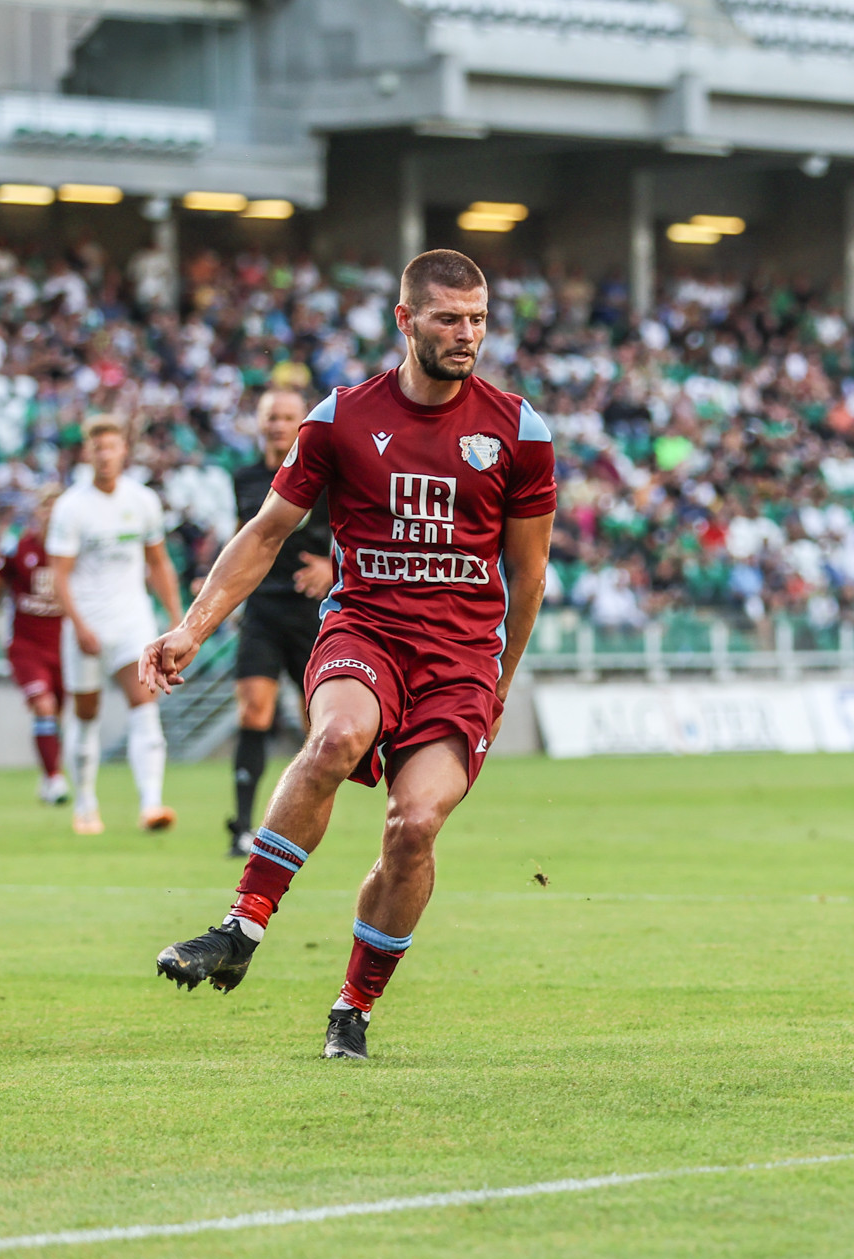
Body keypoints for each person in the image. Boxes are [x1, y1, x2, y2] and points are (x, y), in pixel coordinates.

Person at [144, 248, 556, 1061]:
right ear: (405, 320)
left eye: (477, 319)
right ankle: (240, 928)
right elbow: (267, 532)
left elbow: (530, 573)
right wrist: (193, 625)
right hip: (365, 629)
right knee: (334, 738)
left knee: (415, 824)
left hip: (462, 658)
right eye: (448, 318)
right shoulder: (339, 419)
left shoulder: (519, 429)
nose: (467, 334)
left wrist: (499, 683)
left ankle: (353, 1007)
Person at [47, 417, 183, 836]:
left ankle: (151, 803)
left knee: (144, 702)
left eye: (112, 446)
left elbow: (158, 562)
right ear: (87, 453)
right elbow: (59, 575)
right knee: (86, 713)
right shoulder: (71, 506)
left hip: (131, 620)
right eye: (98, 448)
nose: (105, 455)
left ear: (124, 449)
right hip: (87, 624)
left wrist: (177, 618)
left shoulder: (142, 500)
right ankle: (86, 804)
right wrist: (78, 625)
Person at [226, 387, 335, 856]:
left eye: (287, 416)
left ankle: (303, 825)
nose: (277, 424)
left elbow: (356, 528)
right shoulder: (244, 478)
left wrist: (332, 566)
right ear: (259, 422)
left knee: (319, 725)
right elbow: (244, 538)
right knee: (254, 710)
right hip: (262, 610)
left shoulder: (325, 473)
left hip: (311, 611)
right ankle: (241, 827)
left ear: (302, 423)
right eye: (271, 416)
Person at [0, 487, 70, 804]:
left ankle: (49, 772)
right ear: (37, 512)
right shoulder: (18, 549)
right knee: (44, 705)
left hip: (64, 645)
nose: (52, 514)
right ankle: (55, 779)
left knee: (56, 715)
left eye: (58, 507)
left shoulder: (74, 551)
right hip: (26, 645)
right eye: (46, 507)